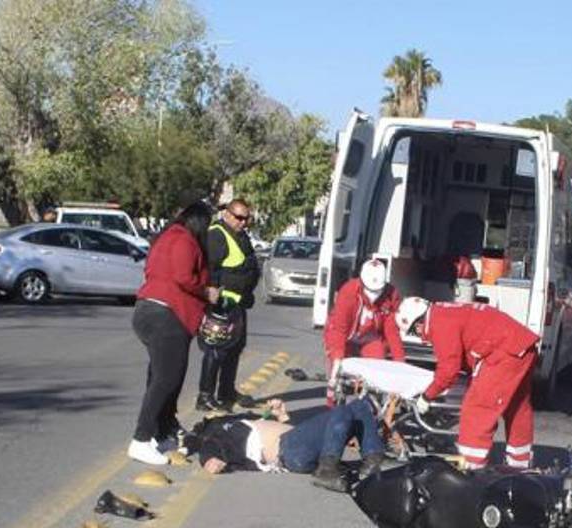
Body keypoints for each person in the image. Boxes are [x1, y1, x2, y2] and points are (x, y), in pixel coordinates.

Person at [396, 298, 539, 469]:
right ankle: (520, 465)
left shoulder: (439, 323)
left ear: (418, 323)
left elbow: (448, 370)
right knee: (516, 408)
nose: (418, 335)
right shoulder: (444, 312)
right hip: (520, 344)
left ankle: (472, 467)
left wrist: (427, 396)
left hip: (504, 352)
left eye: (414, 331)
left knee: (477, 409)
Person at [130, 201, 220, 466]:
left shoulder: (164, 238)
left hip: (147, 310)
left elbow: (151, 271)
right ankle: (141, 439)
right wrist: (206, 292)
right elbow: (183, 277)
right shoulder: (185, 240)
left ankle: (161, 433)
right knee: (166, 380)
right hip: (168, 315)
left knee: (160, 377)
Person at [189, 398, 386, 492]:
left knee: (360, 406)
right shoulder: (218, 434)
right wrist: (209, 460)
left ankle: (372, 461)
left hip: (297, 446)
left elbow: (300, 433)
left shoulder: (241, 422)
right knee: (341, 411)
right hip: (288, 452)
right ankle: (326, 471)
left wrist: (283, 415)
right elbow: (208, 451)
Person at [196, 199, 262, 412]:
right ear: (227, 214)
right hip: (222, 304)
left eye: (246, 218)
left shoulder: (241, 235)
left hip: (238, 303)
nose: (243, 222)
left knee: (235, 348)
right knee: (216, 350)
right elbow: (210, 270)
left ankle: (226, 391)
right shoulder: (217, 234)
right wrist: (213, 296)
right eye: (239, 217)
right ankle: (205, 395)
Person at [324, 258, 406, 405]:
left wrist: (399, 361)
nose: (373, 294)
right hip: (345, 334)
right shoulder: (348, 292)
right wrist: (337, 359)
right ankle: (332, 404)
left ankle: (372, 405)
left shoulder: (391, 295)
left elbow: (392, 330)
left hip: (370, 336)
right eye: (370, 290)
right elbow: (339, 329)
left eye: (378, 290)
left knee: (377, 363)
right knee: (336, 372)